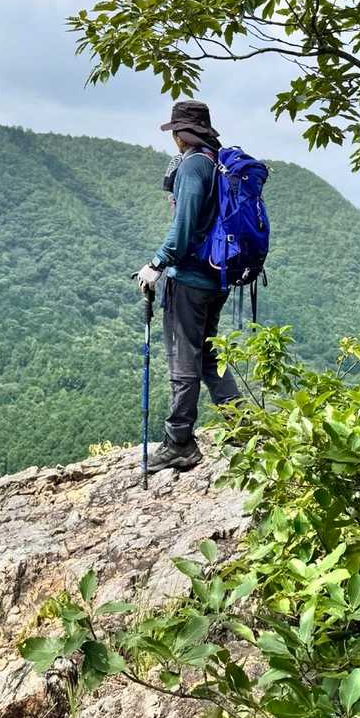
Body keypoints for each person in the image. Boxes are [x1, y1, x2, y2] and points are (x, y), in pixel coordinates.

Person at [136, 99, 241, 472]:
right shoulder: (217, 161)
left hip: (191, 280)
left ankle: (179, 442)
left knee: (184, 359)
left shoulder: (194, 165)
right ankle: (245, 429)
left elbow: (183, 228)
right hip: (218, 277)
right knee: (210, 356)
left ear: (182, 133)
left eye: (175, 132)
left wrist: (156, 264)